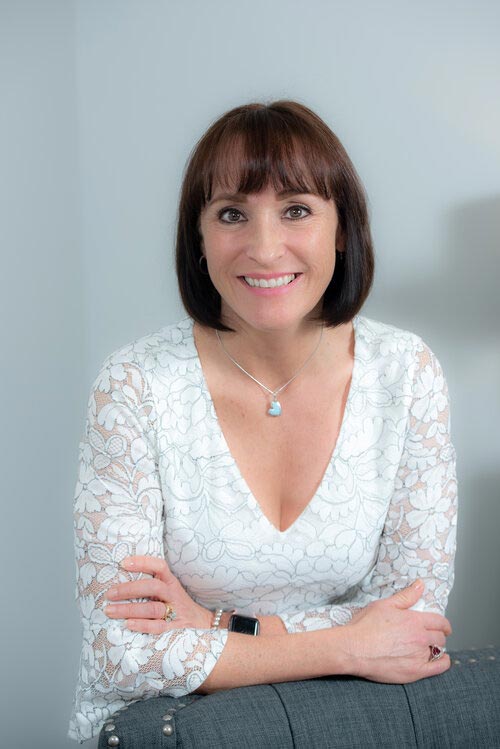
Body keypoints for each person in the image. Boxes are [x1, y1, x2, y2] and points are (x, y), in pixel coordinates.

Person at [68, 100, 457, 742]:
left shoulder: (406, 372)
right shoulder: (134, 385)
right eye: (231, 214)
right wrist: (347, 644)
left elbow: (413, 626)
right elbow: (123, 654)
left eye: (297, 209)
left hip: (345, 729)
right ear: (198, 236)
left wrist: (213, 627)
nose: (265, 246)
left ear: (341, 227)